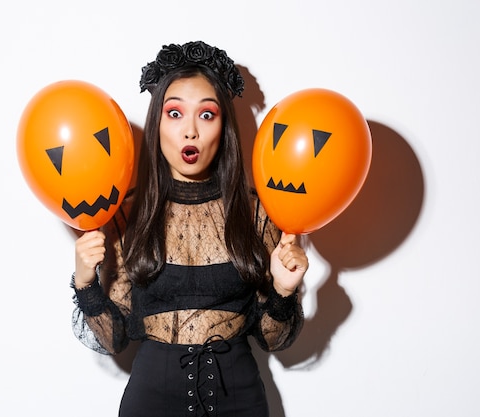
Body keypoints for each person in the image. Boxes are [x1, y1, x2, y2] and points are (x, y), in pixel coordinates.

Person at [71, 40, 308, 417]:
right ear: (157, 124)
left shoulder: (257, 211)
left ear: (224, 126)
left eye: (207, 115)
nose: (191, 132)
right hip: (150, 402)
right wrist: (85, 282)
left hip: (240, 402)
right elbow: (113, 339)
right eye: (176, 113)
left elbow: (273, 341)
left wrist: (282, 290)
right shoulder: (126, 214)